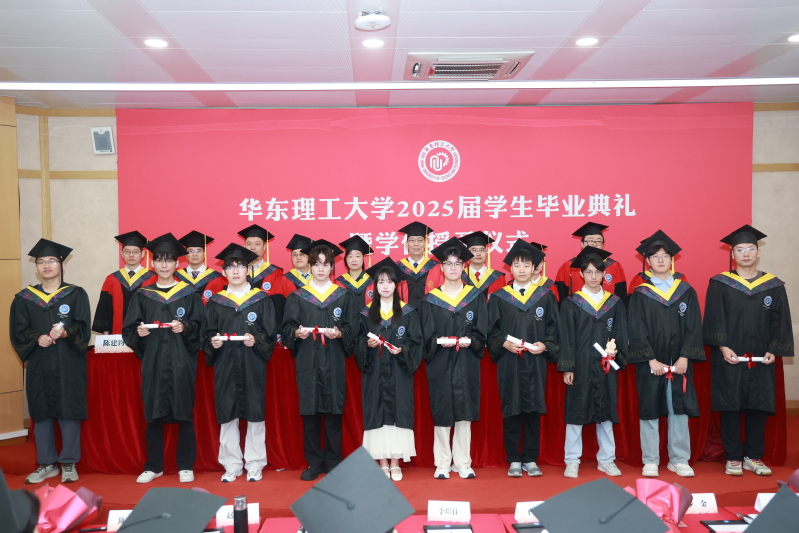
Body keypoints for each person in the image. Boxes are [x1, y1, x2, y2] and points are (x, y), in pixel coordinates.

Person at [703, 225, 794, 476]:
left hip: (762, 357)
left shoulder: (772, 286)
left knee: (758, 405)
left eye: (750, 249)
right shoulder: (720, 283)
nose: (745, 254)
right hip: (729, 356)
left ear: (758, 252)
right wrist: (722, 347)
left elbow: (781, 321)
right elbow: (714, 317)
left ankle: (753, 456)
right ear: (733, 254)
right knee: (730, 405)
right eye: (740, 249)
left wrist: (774, 350)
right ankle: (733, 457)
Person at [122, 233, 203, 484]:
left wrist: (185, 327)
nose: (164, 264)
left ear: (177, 263)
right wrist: (139, 333)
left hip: (181, 361)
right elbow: (129, 329)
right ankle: (153, 466)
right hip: (153, 361)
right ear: (153, 263)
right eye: (159, 260)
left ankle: (185, 465)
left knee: (184, 412)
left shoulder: (189, 294)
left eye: (169, 260)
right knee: (153, 413)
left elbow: (201, 327)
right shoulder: (143, 295)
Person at [10, 239, 90, 485]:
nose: (47, 265)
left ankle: (69, 462)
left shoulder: (75, 294)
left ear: (61, 265)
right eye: (41, 262)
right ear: (36, 267)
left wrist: (66, 333)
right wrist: (37, 338)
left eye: (52, 261)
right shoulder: (24, 298)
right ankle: (47, 463)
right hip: (40, 361)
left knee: (69, 409)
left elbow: (83, 328)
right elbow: (18, 331)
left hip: (68, 361)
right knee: (41, 409)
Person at [627, 230, 705, 478]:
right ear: (647, 261)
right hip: (651, 362)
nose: (660, 259)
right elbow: (636, 329)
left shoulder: (686, 291)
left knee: (678, 408)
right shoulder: (640, 293)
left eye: (665, 255)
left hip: (679, 361)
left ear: (672, 259)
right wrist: (650, 359)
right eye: (655, 256)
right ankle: (650, 460)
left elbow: (694, 326)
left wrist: (685, 357)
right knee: (649, 408)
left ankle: (679, 459)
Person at [202, 243, 277, 483]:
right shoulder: (216, 301)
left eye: (240, 266)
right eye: (230, 267)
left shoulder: (260, 300)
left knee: (255, 412)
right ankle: (231, 464)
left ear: (248, 270)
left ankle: (255, 464)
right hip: (225, 363)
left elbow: (270, 334)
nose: (235, 271)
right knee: (227, 412)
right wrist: (212, 342)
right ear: (223, 272)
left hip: (252, 362)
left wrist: (257, 340)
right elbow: (207, 333)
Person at [282, 240, 354, 481]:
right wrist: (296, 333)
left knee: (333, 413)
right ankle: (314, 462)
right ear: (310, 266)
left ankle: (333, 462)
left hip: (333, 359)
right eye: (316, 264)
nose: (321, 269)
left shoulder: (342, 296)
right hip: (308, 360)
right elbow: (287, 328)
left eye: (325, 264)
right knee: (310, 413)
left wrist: (341, 333)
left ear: (332, 267)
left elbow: (352, 329)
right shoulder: (298, 297)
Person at [487, 239, 559, 477]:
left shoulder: (545, 297)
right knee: (511, 409)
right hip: (509, 362)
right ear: (510, 268)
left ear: (534, 268)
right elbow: (491, 330)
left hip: (535, 361)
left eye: (526, 265)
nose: (521, 269)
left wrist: (545, 345)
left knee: (533, 410)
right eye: (517, 265)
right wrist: (504, 343)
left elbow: (554, 329)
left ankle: (530, 458)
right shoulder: (500, 297)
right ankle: (514, 459)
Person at [558, 246, 628, 478]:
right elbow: (566, 337)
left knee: (606, 412)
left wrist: (616, 353)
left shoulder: (614, 303)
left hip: (605, 366)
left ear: (604, 274)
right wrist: (568, 366)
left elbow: (621, 333)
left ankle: (606, 459)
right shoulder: (572, 303)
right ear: (581, 274)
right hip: (580, 366)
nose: (593, 276)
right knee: (576, 412)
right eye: (588, 272)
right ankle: (572, 460)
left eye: (598, 271)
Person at [420, 237, 487, 480]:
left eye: (458, 263)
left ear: (464, 266)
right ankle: (442, 463)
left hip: (466, 360)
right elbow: (426, 335)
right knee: (442, 410)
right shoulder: (430, 300)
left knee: (464, 411)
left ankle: (463, 462)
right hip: (440, 361)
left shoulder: (475, 297)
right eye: (448, 263)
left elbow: (481, 331)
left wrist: (471, 340)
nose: (453, 267)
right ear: (441, 268)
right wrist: (438, 341)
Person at [355, 258, 422, 481]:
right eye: (381, 282)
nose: (385, 286)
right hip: (375, 373)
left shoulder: (408, 313)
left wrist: (403, 349)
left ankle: (395, 462)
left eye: (389, 281)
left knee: (398, 413)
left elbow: (416, 342)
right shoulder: (365, 314)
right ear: (375, 286)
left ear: (396, 285)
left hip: (399, 373)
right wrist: (367, 344)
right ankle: (382, 461)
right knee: (377, 413)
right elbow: (356, 342)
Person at [92, 231, 156, 334]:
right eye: (127, 251)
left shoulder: (153, 278)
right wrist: (106, 336)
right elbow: (104, 309)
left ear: (143, 254)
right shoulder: (112, 279)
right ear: (122, 254)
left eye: (135, 252)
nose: (131, 255)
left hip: (146, 335)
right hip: (118, 335)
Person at [554, 222, 627, 304]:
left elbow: (621, 296)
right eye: (590, 240)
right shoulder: (568, 266)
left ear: (603, 244)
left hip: (608, 309)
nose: (594, 244)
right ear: (582, 244)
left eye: (598, 241)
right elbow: (561, 295)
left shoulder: (614, 266)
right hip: (576, 309)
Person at [238, 224, 294, 325]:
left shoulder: (275, 272)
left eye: (257, 244)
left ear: (264, 247)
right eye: (249, 244)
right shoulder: (236, 272)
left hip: (267, 325)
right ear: (244, 246)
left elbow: (278, 305)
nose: (253, 248)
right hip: (240, 324)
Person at [395, 221, 444, 308]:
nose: (416, 244)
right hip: (405, 313)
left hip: (430, 312)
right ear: (406, 244)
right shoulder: (397, 267)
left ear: (425, 243)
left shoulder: (436, 267)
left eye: (420, 240)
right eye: (412, 240)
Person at [175, 230, 226, 305]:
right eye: (190, 251)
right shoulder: (176, 277)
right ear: (186, 255)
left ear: (204, 254)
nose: (195, 254)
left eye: (198, 251)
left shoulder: (217, 277)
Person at [459, 231, 507, 297]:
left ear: (486, 253)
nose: (478, 253)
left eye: (482, 250)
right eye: (474, 250)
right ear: (467, 253)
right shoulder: (460, 276)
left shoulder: (497, 277)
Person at [336, 235, 375, 309]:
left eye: (357, 256)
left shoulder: (372, 281)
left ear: (363, 258)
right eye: (350, 256)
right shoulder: (339, 283)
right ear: (346, 259)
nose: (354, 260)